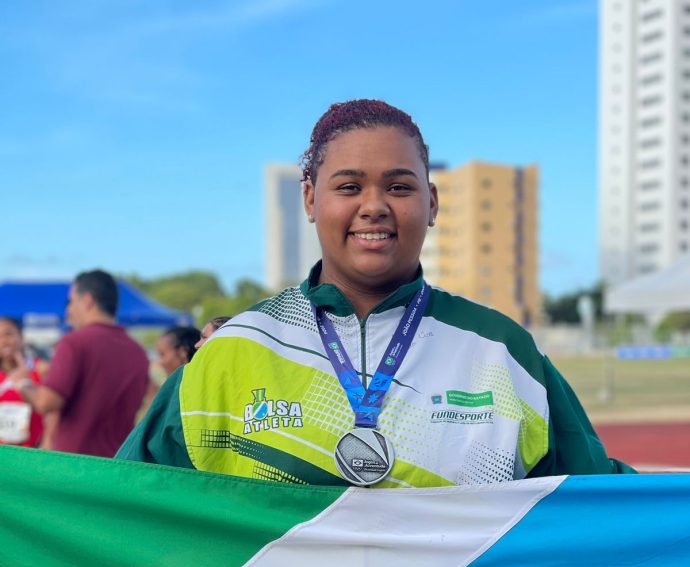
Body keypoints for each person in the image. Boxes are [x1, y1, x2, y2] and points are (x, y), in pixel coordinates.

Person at [118, 99, 633, 484]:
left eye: (399, 186)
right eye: (348, 187)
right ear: (310, 199)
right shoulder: (235, 351)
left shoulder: (503, 351)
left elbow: (598, 512)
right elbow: (121, 508)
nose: (374, 206)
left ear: (431, 203)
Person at [12, 269, 149, 458]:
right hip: (119, 466)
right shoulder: (138, 352)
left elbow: (46, 402)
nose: (68, 310)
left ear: (87, 300)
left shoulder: (74, 342)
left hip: (76, 467)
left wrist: (23, 382)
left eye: (70, 301)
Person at [0, 317, 45, 447]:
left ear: (21, 337)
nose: (4, 341)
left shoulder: (41, 369)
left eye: (8, 334)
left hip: (34, 453)